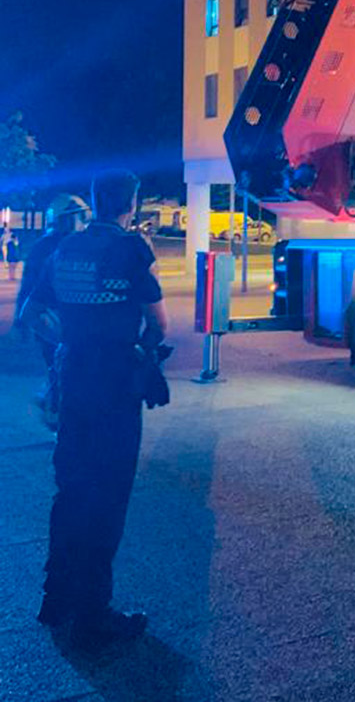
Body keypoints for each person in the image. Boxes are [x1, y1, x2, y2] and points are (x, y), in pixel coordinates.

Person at [22, 170, 168, 650]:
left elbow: (32, 316)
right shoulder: (131, 249)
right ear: (131, 202)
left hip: (75, 382)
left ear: (91, 201)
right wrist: (145, 353)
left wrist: (68, 344)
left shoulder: (63, 248)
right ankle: (94, 615)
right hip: (115, 388)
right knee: (107, 497)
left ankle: (55, 598)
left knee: (70, 490)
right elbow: (157, 320)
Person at [14, 195, 89, 428]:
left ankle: (54, 401)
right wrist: (22, 320)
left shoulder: (65, 244)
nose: (82, 221)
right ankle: (57, 409)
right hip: (52, 318)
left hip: (59, 318)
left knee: (65, 366)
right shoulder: (51, 247)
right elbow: (29, 285)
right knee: (62, 365)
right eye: (77, 216)